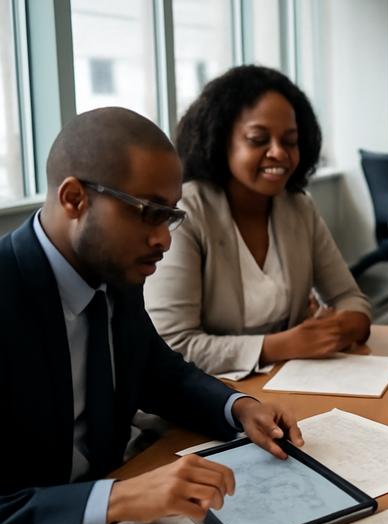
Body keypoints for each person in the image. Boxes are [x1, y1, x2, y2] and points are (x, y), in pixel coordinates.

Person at [0, 107, 303, 524]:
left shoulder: (114, 276)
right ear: (75, 199)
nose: (164, 239)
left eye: (171, 216)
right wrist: (119, 499)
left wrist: (237, 407)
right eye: (148, 213)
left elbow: (159, 372)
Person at [144, 65, 371, 376]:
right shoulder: (188, 212)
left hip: (290, 385)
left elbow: (349, 298)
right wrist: (282, 345)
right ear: (221, 140)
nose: (278, 152)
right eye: (258, 139)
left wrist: (350, 323)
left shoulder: (299, 208)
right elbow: (172, 345)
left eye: (290, 141)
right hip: (209, 400)